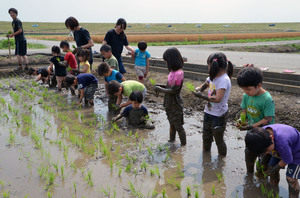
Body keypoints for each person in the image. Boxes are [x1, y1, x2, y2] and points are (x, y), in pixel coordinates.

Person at [236, 66, 277, 182]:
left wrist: (250, 126)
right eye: (243, 89)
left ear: (259, 85)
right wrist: (241, 121)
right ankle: (249, 179)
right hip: (252, 135)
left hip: (264, 137)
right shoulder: (246, 96)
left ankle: (261, 182)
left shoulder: (267, 99)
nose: (246, 92)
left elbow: (267, 119)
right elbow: (244, 112)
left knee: (263, 164)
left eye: (248, 89)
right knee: (249, 156)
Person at [193, 52, 233, 155]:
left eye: (208, 65)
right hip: (208, 112)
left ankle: (221, 161)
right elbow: (206, 84)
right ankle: (206, 159)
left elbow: (218, 98)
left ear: (212, 65)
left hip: (219, 115)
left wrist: (201, 96)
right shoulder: (212, 77)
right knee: (206, 137)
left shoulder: (224, 80)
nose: (208, 67)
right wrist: (199, 89)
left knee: (219, 140)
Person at [245, 124, 300, 198]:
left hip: (297, 151)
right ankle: (273, 191)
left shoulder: (282, 142)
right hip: (279, 149)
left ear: (272, 138)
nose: (267, 153)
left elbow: (287, 160)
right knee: (272, 169)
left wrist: (275, 168)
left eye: (267, 151)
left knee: (291, 179)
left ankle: (293, 196)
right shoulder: (260, 135)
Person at [153, 47, 186, 146]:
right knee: (171, 123)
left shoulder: (179, 73)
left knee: (178, 126)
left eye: (166, 61)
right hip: (169, 103)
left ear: (171, 61)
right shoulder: (172, 73)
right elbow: (169, 87)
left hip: (175, 103)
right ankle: (171, 141)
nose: (166, 64)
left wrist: (160, 89)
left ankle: (183, 146)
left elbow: (174, 90)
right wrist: (160, 86)